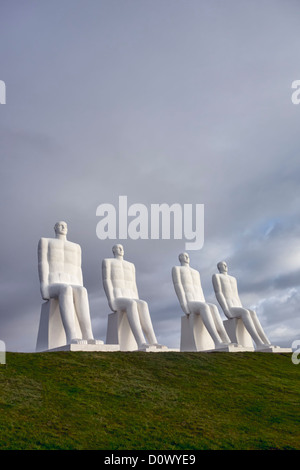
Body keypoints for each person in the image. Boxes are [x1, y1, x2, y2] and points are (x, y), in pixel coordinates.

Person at [38, 221, 100, 345]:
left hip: (72, 283)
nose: (63, 227)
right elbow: (42, 263)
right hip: (53, 284)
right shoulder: (45, 241)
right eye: (60, 225)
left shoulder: (76, 247)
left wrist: (80, 285)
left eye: (65, 226)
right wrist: (43, 286)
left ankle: (88, 335)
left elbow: (78, 268)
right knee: (66, 289)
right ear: (55, 228)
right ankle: (71, 335)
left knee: (82, 291)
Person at [102, 244, 162, 350]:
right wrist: (110, 299)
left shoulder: (130, 265)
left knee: (143, 304)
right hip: (117, 298)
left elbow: (134, 285)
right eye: (118, 248)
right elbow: (106, 281)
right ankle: (141, 342)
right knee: (132, 303)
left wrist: (137, 298)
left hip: (130, 297)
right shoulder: (108, 262)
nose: (121, 250)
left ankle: (153, 341)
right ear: (113, 250)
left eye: (122, 248)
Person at [172, 252, 232, 349]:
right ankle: (217, 341)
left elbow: (199, 288)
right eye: (184, 255)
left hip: (199, 300)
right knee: (205, 307)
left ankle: (226, 339)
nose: (186, 257)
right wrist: (183, 303)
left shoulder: (196, 272)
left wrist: (203, 301)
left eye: (187, 255)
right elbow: (178, 286)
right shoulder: (177, 269)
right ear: (180, 258)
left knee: (213, 306)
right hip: (190, 302)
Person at [212, 261, 272, 349]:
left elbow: (236, 295)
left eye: (225, 264)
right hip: (229, 307)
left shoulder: (233, 279)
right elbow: (218, 293)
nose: (225, 266)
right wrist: (225, 309)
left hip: (237, 305)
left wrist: (241, 306)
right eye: (222, 265)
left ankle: (265, 341)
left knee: (252, 312)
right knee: (245, 312)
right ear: (219, 267)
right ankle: (258, 343)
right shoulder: (217, 276)